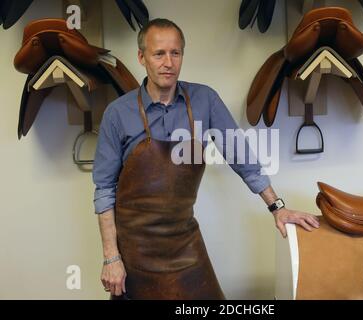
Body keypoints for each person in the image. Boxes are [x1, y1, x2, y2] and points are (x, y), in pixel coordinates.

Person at [92, 18, 320, 299]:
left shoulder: (204, 100)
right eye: (158, 53)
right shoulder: (117, 114)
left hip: (184, 244)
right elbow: (104, 189)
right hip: (133, 252)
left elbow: (242, 158)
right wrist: (111, 257)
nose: (168, 62)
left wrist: (278, 207)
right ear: (142, 57)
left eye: (175, 53)